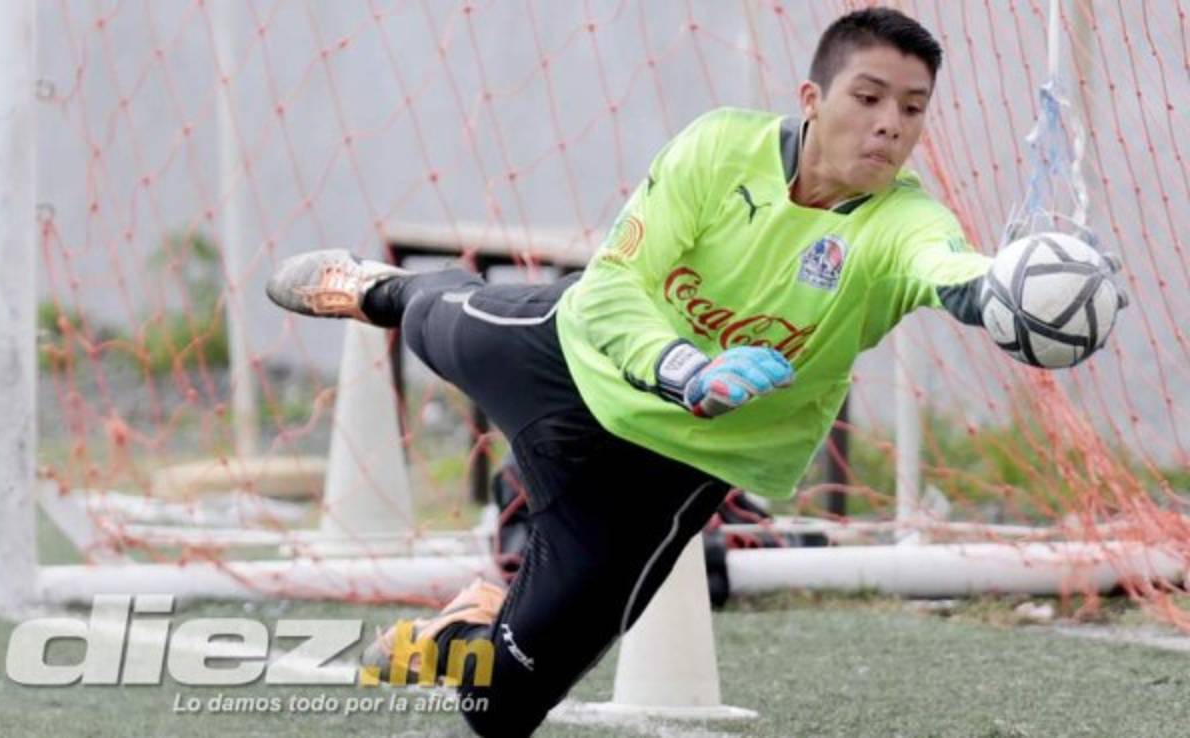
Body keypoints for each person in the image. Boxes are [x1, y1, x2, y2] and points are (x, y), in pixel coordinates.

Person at [266, 8, 1001, 736]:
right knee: (432, 317)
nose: (890, 126)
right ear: (812, 100)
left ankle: (457, 634)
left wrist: (1013, 300)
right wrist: (685, 369)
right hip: (566, 361)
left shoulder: (905, 221)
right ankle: (374, 287)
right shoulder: (721, 148)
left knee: (499, 709)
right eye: (867, 98)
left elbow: (951, 272)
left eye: (912, 109)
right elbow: (616, 284)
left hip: (661, 476)